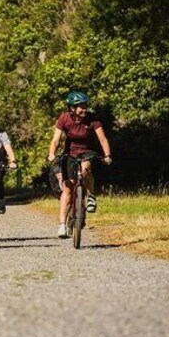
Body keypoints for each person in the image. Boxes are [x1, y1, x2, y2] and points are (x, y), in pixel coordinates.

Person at [47, 91, 113, 238]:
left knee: (84, 171)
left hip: (87, 152)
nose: (84, 109)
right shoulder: (64, 118)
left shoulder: (92, 120)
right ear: (72, 108)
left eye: (85, 106)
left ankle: (90, 195)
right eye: (80, 107)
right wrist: (51, 153)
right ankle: (62, 225)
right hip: (69, 154)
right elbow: (56, 140)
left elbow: (103, 139)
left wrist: (107, 155)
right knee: (68, 189)